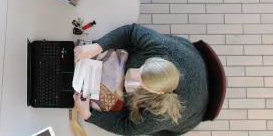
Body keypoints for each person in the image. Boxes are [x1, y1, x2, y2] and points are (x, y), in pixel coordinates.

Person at [73, 24, 209, 136]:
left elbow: (127, 127)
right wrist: (98, 47)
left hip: (192, 113)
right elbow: (132, 31)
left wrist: (89, 115)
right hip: (193, 60)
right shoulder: (163, 48)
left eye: (141, 82)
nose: (133, 74)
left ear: (158, 92)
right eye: (141, 69)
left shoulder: (160, 115)